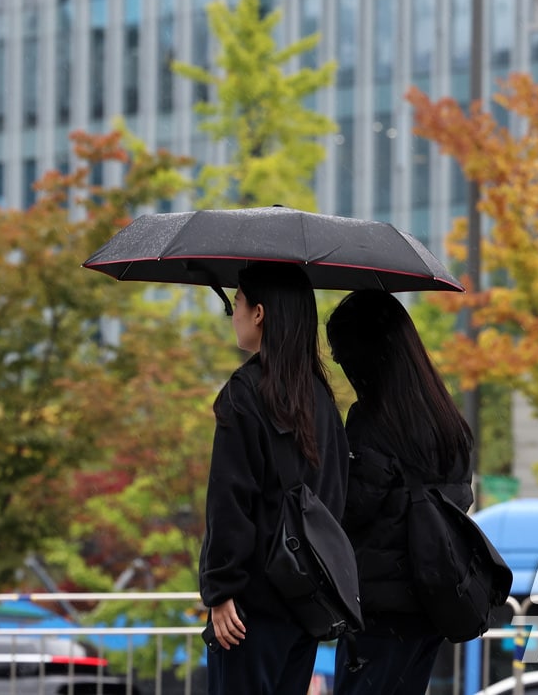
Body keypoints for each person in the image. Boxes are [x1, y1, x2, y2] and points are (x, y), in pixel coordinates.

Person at [199, 261, 351, 695]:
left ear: (260, 313)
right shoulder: (321, 398)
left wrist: (221, 588)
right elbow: (334, 495)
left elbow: (230, 499)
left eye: (238, 303)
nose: (235, 314)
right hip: (304, 601)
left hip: (248, 609)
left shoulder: (245, 393)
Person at [325, 289, 475, 695]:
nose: (341, 365)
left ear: (365, 353)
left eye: (340, 354)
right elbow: (460, 503)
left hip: (380, 609)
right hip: (434, 601)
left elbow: (350, 508)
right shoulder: (448, 421)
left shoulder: (371, 423)